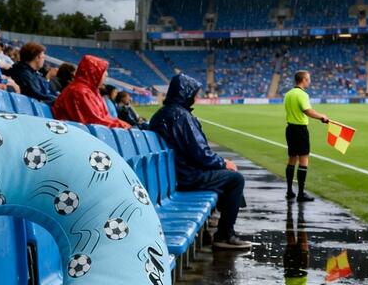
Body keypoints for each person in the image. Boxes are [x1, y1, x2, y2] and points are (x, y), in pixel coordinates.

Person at [149, 74, 250, 250]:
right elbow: (200, 154)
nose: (196, 97)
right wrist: (223, 163)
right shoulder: (181, 116)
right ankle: (225, 235)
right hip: (187, 176)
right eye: (194, 93)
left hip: (177, 173)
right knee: (235, 179)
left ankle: (220, 225)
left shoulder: (163, 113)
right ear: (186, 93)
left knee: (228, 175)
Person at [284, 70, 329, 202]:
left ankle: (289, 191)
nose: (309, 81)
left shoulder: (288, 94)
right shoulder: (302, 94)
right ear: (303, 80)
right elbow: (307, 111)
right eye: (308, 79)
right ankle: (301, 193)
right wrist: (322, 116)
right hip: (300, 130)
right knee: (303, 160)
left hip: (290, 129)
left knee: (292, 159)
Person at [52, 55, 130, 128]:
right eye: (103, 71)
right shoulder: (79, 91)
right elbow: (93, 122)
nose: (107, 74)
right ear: (93, 72)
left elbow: (104, 118)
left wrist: (122, 124)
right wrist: (123, 126)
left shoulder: (91, 91)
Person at [283, 204, 327, 285]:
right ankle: (290, 210)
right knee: (291, 240)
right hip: (288, 272)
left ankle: (301, 212)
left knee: (303, 240)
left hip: (300, 272)